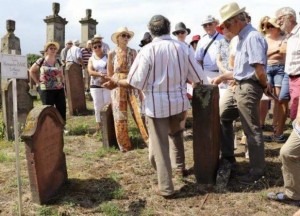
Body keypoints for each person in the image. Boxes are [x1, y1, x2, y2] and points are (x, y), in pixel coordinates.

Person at [103, 15, 206, 198]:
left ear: (151, 31)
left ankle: (166, 187)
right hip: (179, 102)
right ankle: (180, 167)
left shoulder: (147, 51)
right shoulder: (183, 47)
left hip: (156, 105)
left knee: (159, 146)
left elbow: (135, 82)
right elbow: (198, 77)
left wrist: (116, 82)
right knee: (176, 136)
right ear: (169, 28)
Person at [217, 2, 270, 184]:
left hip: (248, 86)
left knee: (251, 128)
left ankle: (257, 171)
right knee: (224, 115)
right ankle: (229, 158)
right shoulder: (241, 38)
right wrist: (224, 77)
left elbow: (259, 71)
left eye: (227, 24)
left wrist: (263, 86)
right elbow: (241, 69)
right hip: (239, 84)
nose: (225, 28)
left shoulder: (252, 37)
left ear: (236, 20)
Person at [267, 6, 300, 204]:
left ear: (288, 18)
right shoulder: (289, 37)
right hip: (293, 78)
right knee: (294, 117)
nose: (277, 24)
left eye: (279, 20)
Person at [107, 27, 148, 152]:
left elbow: (137, 70)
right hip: (118, 84)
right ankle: (124, 145)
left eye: (127, 36)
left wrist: (140, 89)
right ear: (117, 38)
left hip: (131, 82)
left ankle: (148, 140)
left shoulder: (133, 52)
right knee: (120, 114)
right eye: (123, 35)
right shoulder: (112, 53)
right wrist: (112, 83)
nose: (126, 38)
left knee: (138, 111)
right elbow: (110, 72)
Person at [29, 41, 66, 121]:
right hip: (46, 89)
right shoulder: (41, 61)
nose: (53, 50)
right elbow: (32, 71)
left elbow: (62, 75)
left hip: (58, 88)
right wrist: (37, 82)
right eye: (51, 48)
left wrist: (62, 84)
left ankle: (62, 126)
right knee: (48, 109)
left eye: (54, 49)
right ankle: (49, 126)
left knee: (61, 108)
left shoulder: (58, 62)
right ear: (46, 50)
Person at [263, 18, 287, 143]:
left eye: (272, 26)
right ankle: (266, 125)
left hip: (280, 68)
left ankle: (275, 126)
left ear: (278, 27)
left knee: (278, 98)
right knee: (266, 96)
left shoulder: (284, 38)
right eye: (268, 26)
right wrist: (275, 51)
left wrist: (270, 53)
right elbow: (263, 54)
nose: (270, 28)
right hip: (267, 68)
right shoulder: (265, 38)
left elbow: (282, 54)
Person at [87, 39, 111, 133]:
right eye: (95, 47)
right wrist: (100, 74)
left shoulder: (108, 57)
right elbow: (90, 71)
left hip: (107, 84)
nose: (97, 48)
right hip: (95, 85)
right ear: (92, 48)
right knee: (97, 105)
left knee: (107, 104)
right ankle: (99, 125)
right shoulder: (91, 59)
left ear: (102, 46)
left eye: (99, 46)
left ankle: (109, 124)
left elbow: (112, 69)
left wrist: (107, 77)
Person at [195, 15, 224, 83]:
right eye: (205, 25)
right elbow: (198, 60)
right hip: (207, 74)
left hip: (222, 74)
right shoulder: (201, 41)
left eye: (210, 24)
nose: (208, 26)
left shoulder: (224, 38)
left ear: (215, 24)